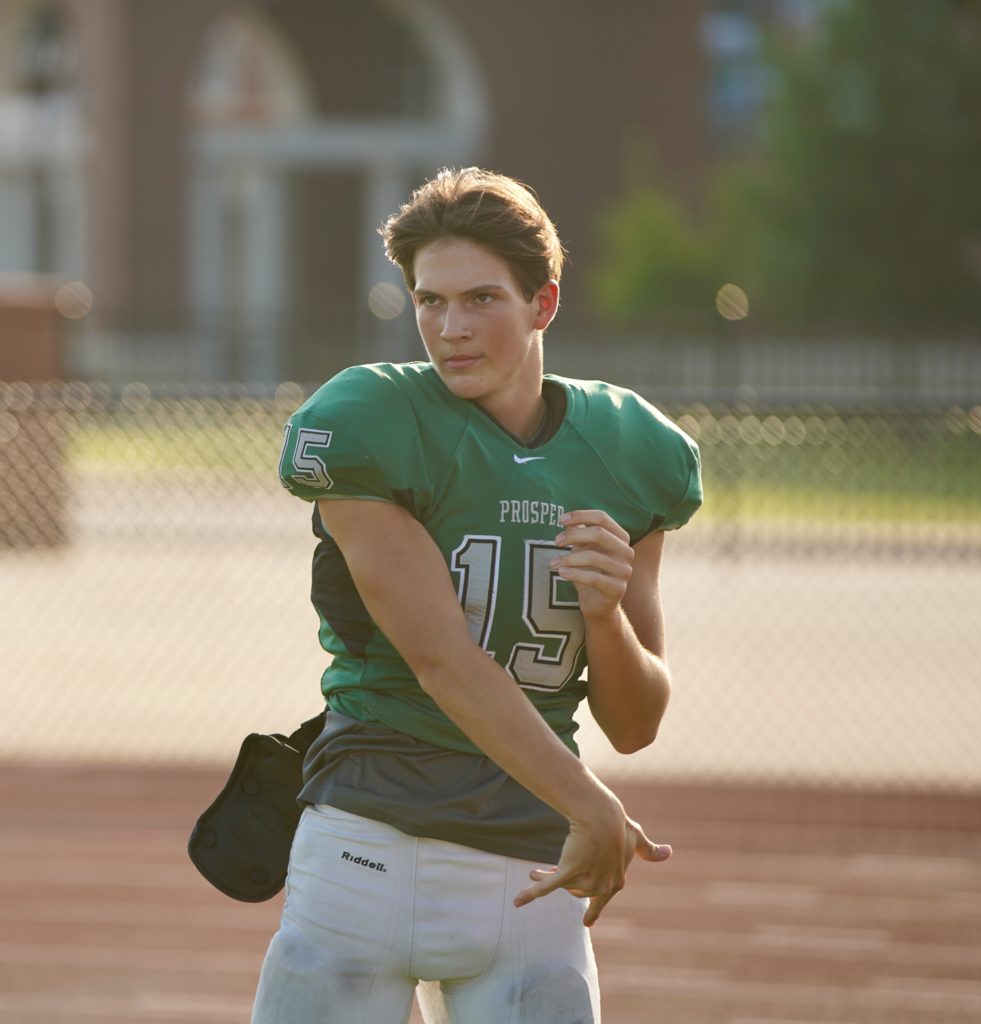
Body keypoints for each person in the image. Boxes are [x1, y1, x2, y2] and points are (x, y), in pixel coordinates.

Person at [253, 167, 702, 1024]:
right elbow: (440, 659)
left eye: (481, 299)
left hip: (528, 870)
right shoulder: (371, 416)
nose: (449, 329)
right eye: (430, 300)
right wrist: (591, 805)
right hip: (369, 843)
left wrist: (603, 616)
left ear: (543, 304)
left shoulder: (632, 449)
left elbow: (636, 722)